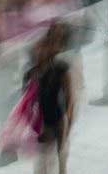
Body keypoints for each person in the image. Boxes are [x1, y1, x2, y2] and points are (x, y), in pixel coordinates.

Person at [29, 23, 76, 174]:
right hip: (45, 118)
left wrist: (68, 121)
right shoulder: (37, 65)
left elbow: (70, 97)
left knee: (61, 157)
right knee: (42, 159)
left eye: (57, 42)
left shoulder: (62, 66)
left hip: (58, 118)